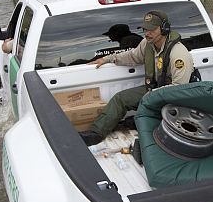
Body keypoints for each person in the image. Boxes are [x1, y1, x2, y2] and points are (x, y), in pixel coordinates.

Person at [79, 10, 193, 146]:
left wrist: (153, 94)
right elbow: (132, 56)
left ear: (164, 29)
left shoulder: (178, 53)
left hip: (178, 97)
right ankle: (95, 133)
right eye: (144, 29)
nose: (146, 33)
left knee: (144, 112)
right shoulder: (147, 44)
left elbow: (180, 89)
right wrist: (107, 58)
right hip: (157, 88)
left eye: (151, 29)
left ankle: (147, 119)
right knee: (120, 99)